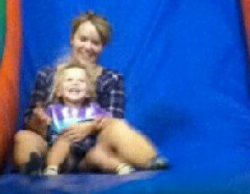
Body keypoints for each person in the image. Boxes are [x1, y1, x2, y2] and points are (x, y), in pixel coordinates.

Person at [14, 11, 168, 175]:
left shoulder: (111, 79)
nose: (88, 47)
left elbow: (112, 120)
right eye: (83, 39)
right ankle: (33, 168)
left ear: (102, 46)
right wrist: (39, 121)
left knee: (118, 127)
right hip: (52, 149)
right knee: (23, 137)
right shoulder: (47, 75)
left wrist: (88, 127)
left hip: (92, 152)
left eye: (95, 43)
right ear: (72, 39)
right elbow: (29, 121)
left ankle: (150, 160)